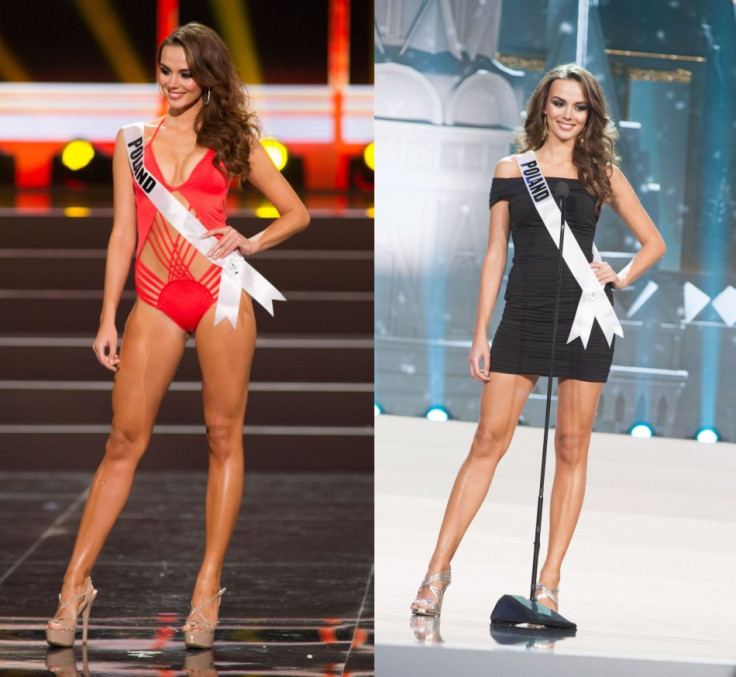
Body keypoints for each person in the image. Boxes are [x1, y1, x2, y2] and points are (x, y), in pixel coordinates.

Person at [45, 22, 310, 649]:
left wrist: (252, 239)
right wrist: (109, 315)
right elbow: (121, 235)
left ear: (209, 77)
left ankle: (206, 589)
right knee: (122, 442)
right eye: (165, 70)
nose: (173, 83)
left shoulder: (236, 141)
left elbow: (296, 211)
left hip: (220, 295)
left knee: (223, 437)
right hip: (157, 298)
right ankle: (73, 586)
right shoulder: (131, 141)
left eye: (185, 73)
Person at [410, 63, 665, 617]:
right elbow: (495, 253)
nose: (568, 115)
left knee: (572, 448)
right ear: (542, 108)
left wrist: (618, 275)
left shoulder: (602, 174)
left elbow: (653, 243)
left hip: (585, 320)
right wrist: (480, 330)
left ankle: (549, 581)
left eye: (579, 107)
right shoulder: (512, 169)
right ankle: (436, 572)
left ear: (590, 115)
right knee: (487, 441)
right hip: (523, 315)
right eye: (559, 104)